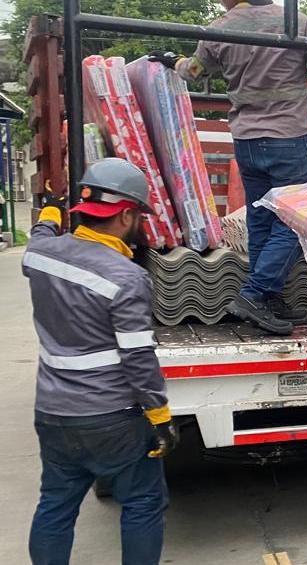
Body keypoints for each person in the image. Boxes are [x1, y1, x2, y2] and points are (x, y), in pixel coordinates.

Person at [149, 0, 307, 336]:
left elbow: (194, 71)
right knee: (297, 222)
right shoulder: (295, 22)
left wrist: (173, 61)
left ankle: (267, 296)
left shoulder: (220, 27)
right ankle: (255, 294)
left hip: (247, 142)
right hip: (290, 140)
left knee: (262, 219)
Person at [24, 158, 179, 565]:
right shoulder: (126, 278)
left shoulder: (40, 256)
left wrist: (51, 213)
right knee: (143, 502)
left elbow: (38, 234)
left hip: (53, 413)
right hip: (111, 417)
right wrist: (160, 417)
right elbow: (138, 356)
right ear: (126, 214)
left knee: (55, 506)